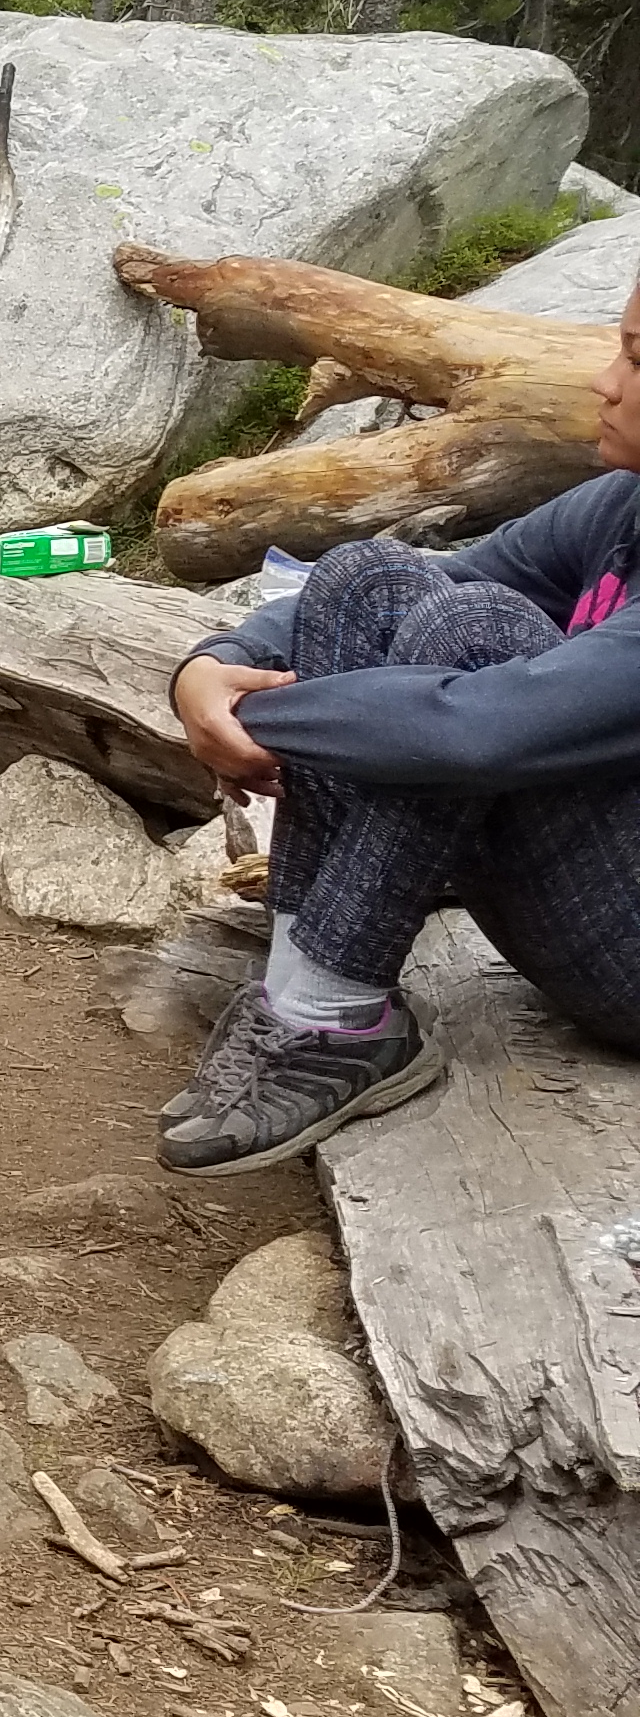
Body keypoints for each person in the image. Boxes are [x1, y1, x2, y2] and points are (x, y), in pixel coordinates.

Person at [162, 276, 640, 1170]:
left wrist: (265, 715)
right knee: (368, 577)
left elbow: (482, 731)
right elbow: (438, 571)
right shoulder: (626, 503)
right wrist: (211, 665)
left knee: (472, 637)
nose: (605, 383)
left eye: (637, 359)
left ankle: (333, 1017)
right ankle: (306, 996)